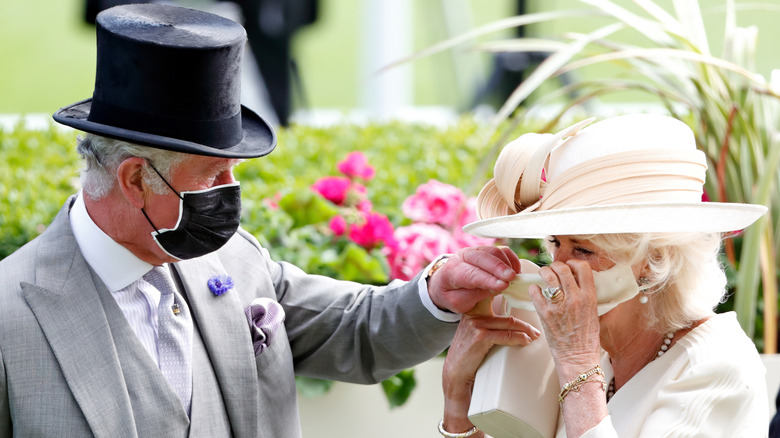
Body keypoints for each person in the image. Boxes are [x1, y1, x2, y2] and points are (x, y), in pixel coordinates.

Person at [0, 4, 538, 437]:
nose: (231, 195)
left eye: (236, 172)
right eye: (213, 176)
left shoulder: (235, 259)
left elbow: (353, 328)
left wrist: (437, 292)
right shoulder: (10, 317)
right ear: (135, 178)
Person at [438, 114, 770, 437]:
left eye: (583, 250)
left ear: (652, 261)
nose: (558, 265)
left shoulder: (714, 366)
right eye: (555, 243)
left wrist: (577, 365)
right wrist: (458, 392)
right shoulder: (586, 347)